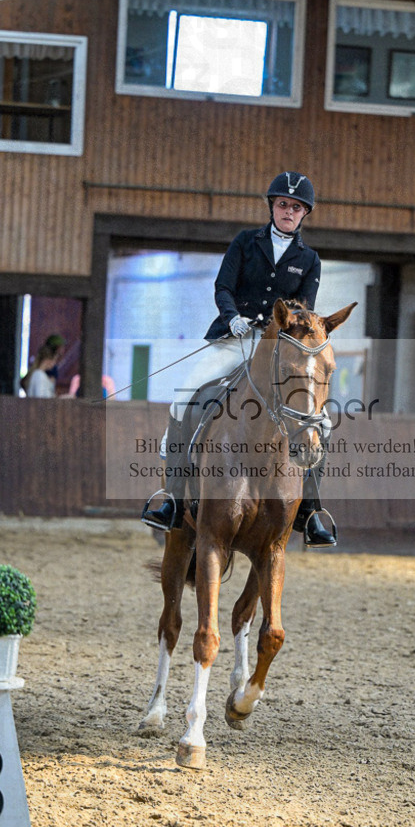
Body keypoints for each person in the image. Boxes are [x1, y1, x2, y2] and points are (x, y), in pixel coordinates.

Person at [141, 171, 337, 547]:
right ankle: (173, 498)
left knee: (321, 422)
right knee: (184, 401)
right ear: (272, 207)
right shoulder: (246, 242)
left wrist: (278, 329)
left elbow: (306, 310)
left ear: (304, 214)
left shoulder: (309, 260)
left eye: (296, 208)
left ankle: (312, 512)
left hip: (277, 349)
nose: (288, 212)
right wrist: (233, 317)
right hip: (233, 339)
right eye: (282, 205)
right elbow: (223, 286)